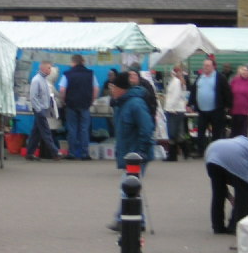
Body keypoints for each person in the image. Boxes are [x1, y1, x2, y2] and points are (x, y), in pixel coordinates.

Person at [106, 72, 155, 231]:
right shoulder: (121, 103)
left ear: (121, 88)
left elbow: (147, 129)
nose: (111, 90)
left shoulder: (135, 104)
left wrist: (141, 152)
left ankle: (125, 219)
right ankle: (133, 219)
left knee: (127, 186)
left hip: (136, 154)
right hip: (129, 152)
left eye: (113, 87)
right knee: (130, 186)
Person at [205, 136, 248, 235]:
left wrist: (229, 196)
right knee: (243, 195)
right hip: (234, 158)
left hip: (212, 152)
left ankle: (218, 226)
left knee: (218, 193)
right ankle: (236, 227)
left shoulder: (242, 143)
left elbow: (223, 187)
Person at [189, 58, 232, 155]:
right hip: (202, 110)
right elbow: (194, 91)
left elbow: (227, 92)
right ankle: (200, 151)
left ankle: (216, 152)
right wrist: (190, 104)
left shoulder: (220, 77)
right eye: (204, 65)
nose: (205, 67)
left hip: (216, 110)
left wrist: (227, 106)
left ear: (213, 66)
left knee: (217, 132)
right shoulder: (200, 77)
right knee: (200, 132)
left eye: (208, 65)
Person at [59, 54, 99, 160]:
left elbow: (62, 89)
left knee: (72, 128)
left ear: (73, 62)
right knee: (84, 129)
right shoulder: (90, 74)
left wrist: (64, 101)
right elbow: (96, 89)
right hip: (85, 104)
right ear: (82, 62)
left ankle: (71, 153)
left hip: (71, 104)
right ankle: (85, 153)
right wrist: (92, 100)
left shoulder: (67, 74)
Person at [25, 61, 62, 161]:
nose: (51, 70)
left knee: (36, 132)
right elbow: (33, 96)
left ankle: (29, 153)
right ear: (43, 69)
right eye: (49, 68)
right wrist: (39, 109)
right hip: (40, 109)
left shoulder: (43, 80)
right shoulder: (37, 80)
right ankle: (55, 152)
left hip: (43, 109)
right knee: (46, 132)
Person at [164, 66, 189, 161]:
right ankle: (186, 153)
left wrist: (169, 108)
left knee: (172, 133)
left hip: (173, 110)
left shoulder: (175, 82)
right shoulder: (180, 82)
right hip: (179, 109)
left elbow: (175, 96)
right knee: (179, 133)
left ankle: (172, 155)